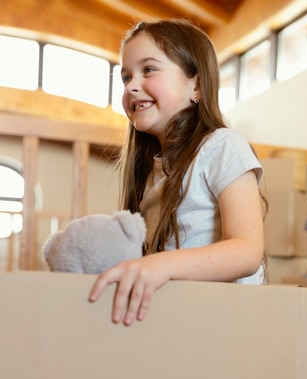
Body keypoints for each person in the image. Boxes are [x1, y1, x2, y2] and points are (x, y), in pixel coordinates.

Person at [88, 19, 266, 326]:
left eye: (149, 70)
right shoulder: (149, 168)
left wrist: (161, 265)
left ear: (196, 85)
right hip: (177, 321)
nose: (131, 85)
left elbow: (247, 250)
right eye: (126, 76)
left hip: (226, 323)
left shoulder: (223, 146)